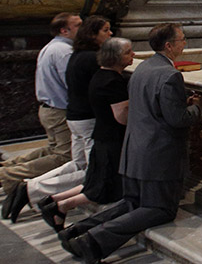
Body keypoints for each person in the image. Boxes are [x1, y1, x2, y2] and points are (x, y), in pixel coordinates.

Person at [61, 24, 202, 264]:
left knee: (133, 203)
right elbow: (177, 119)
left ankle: (76, 231)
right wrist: (197, 107)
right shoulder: (170, 74)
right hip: (158, 158)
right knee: (160, 209)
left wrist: (183, 102)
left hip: (134, 152)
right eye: (182, 39)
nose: (185, 43)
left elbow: (152, 106)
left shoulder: (142, 68)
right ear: (169, 45)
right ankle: (92, 241)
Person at [6, 17, 113, 222]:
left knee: (77, 163)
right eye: (106, 30)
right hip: (84, 117)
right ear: (93, 34)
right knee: (94, 170)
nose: (110, 34)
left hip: (74, 115)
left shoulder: (74, 53)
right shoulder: (82, 56)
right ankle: (34, 190)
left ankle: (30, 187)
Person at [0, 13, 80, 208]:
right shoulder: (64, 51)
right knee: (63, 156)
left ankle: (4, 167)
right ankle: (5, 175)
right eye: (78, 25)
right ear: (64, 30)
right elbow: (72, 84)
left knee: (53, 150)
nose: (83, 28)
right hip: (59, 111)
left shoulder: (52, 46)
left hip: (49, 109)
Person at [40, 37, 134, 232]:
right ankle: (60, 206)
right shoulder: (112, 82)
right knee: (104, 188)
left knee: (95, 181)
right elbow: (122, 117)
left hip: (101, 136)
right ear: (115, 57)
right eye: (128, 52)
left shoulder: (100, 76)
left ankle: (54, 201)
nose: (132, 55)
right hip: (112, 139)